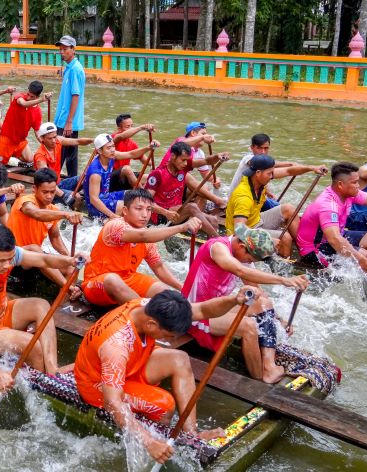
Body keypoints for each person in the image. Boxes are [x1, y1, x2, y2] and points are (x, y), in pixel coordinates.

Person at [73, 288, 253, 463]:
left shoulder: (150, 307)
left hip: (129, 365)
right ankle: (159, 445)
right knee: (164, 405)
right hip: (96, 386)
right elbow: (112, 401)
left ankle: (191, 435)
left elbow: (203, 310)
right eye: (168, 335)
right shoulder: (116, 346)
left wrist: (234, 300)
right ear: (151, 324)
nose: (170, 340)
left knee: (179, 359)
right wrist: (149, 442)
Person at [0, 225, 89, 391]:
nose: (7, 265)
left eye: (10, 259)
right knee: (32, 345)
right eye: (2, 261)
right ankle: (41, 390)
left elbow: (43, 260)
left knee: (41, 305)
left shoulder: (8, 256)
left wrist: (70, 260)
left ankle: (53, 370)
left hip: (1, 312)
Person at [183, 224, 309, 383]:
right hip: (195, 312)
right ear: (242, 247)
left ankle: (269, 366)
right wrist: (284, 280)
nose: (248, 262)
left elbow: (257, 290)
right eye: (249, 259)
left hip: (217, 308)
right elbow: (240, 271)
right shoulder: (217, 247)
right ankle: (258, 380)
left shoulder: (241, 255)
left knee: (264, 302)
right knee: (248, 326)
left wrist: (278, 319)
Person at [82, 189, 201, 306]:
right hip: (97, 284)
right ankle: (143, 311)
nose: (145, 215)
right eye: (138, 209)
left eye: (148, 209)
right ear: (125, 210)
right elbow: (142, 236)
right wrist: (182, 227)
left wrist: (183, 288)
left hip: (128, 280)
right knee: (112, 279)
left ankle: (150, 309)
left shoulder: (147, 237)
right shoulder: (115, 225)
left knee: (163, 291)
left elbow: (158, 267)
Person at [226, 154, 327, 257]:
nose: (271, 177)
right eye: (269, 173)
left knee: (288, 208)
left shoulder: (257, 178)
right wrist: (264, 239)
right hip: (241, 233)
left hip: (256, 220)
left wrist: (312, 168)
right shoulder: (243, 197)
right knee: (285, 238)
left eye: (272, 173)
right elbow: (239, 230)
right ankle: (283, 268)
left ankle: (305, 251)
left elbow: (289, 171)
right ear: (258, 173)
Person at [8, 167, 84, 293]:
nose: (49, 196)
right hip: (13, 255)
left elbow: (55, 239)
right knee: (35, 248)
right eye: (45, 192)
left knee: (71, 268)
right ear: (35, 189)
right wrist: (65, 214)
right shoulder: (25, 202)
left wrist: (69, 258)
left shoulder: (53, 210)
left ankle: (66, 299)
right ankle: (68, 288)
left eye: (52, 192)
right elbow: (36, 213)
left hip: (34, 259)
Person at [145, 141, 227, 237]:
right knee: (192, 207)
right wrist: (166, 212)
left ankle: (211, 245)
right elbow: (146, 202)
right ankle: (218, 238)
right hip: (161, 216)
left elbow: (207, 161)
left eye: (186, 161)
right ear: (172, 156)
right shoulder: (157, 174)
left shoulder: (184, 167)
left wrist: (217, 157)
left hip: (177, 212)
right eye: (183, 160)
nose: (185, 164)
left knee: (213, 220)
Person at [83, 133, 154, 220]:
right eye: (108, 148)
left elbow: (131, 154)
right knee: (125, 206)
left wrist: (148, 148)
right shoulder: (95, 173)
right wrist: (112, 215)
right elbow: (94, 200)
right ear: (100, 151)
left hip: (107, 196)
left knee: (134, 196)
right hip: (96, 206)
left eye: (113, 146)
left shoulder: (111, 155)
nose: (113, 150)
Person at [31, 121, 92, 203]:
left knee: (85, 178)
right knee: (75, 197)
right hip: (49, 189)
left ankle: (83, 197)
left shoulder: (58, 141)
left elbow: (78, 141)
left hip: (59, 183)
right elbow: (46, 180)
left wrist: (95, 141)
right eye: (50, 138)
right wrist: (64, 195)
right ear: (42, 138)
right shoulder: (40, 157)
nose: (53, 141)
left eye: (54, 137)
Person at [0, 80, 49, 165]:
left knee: (30, 159)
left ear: (37, 97)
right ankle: (6, 155)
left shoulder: (38, 111)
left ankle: (11, 154)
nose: (29, 97)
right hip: (7, 137)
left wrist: (46, 144)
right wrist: (42, 100)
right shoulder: (19, 97)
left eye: (32, 97)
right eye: (28, 94)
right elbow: (23, 104)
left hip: (20, 141)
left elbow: (37, 131)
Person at [53, 35, 85, 177]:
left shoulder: (75, 70)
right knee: (70, 156)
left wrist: (69, 122)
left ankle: (52, 183)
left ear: (73, 49)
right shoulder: (69, 68)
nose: (62, 52)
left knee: (59, 155)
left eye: (65, 49)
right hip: (65, 119)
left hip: (67, 121)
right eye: (60, 49)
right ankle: (73, 182)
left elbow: (75, 95)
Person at [110, 115, 155, 190]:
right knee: (126, 169)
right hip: (111, 177)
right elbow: (121, 137)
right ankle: (143, 194)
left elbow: (146, 161)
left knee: (149, 178)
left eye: (132, 126)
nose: (131, 129)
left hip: (126, 176)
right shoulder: (113, 139)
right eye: (128, 127)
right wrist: (141, 127)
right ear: (119, 129)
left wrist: (153, 168)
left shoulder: (132, 144)